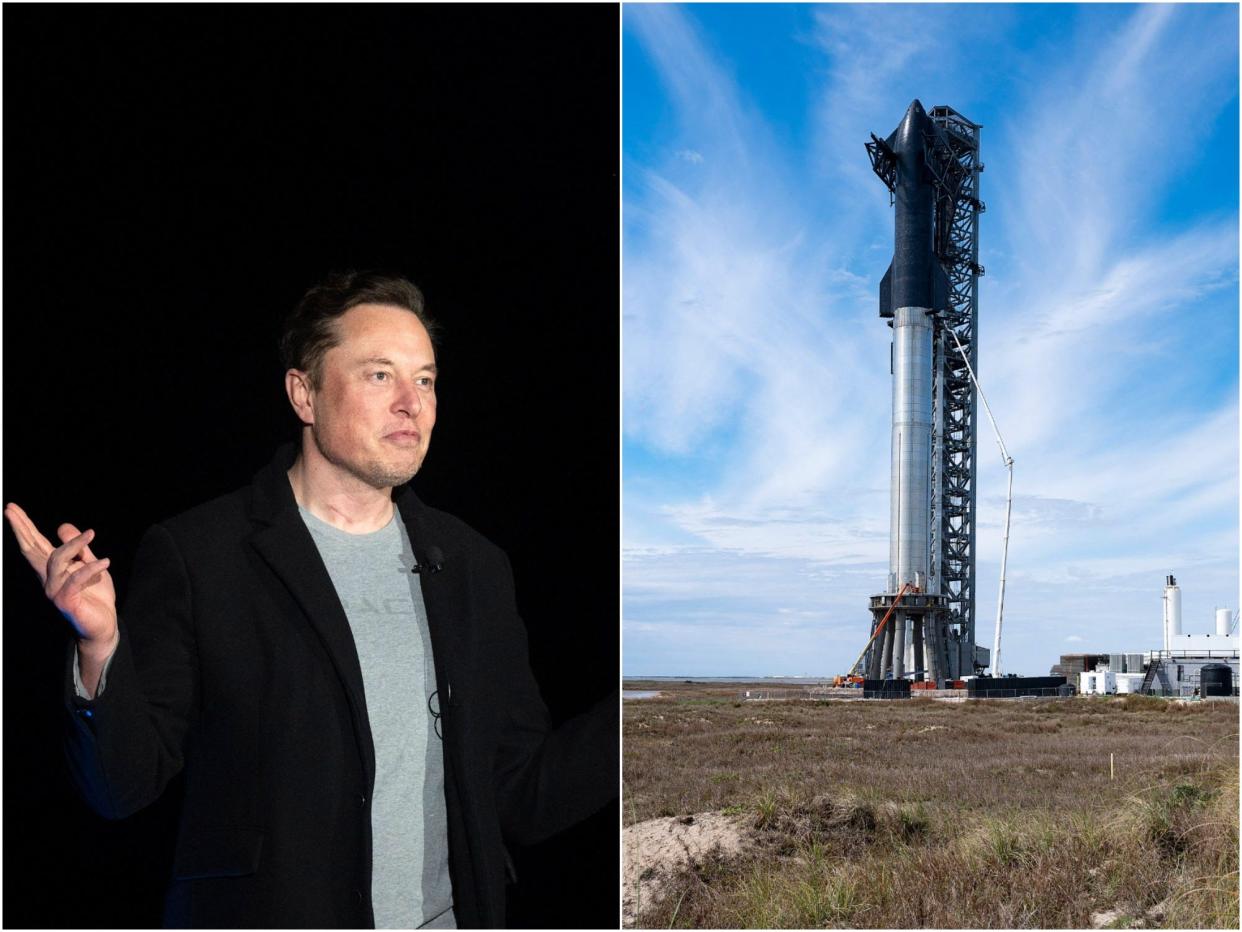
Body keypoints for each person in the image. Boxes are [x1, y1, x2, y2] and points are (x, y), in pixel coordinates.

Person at [5, 271, 616, 929]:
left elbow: (519, 796)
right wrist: (100, 646)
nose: (412, 402)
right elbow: (120, 788)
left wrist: (633, 723)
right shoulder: (202, 555)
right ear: (304, 393)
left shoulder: (474, 567)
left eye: (426, 379)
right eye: (380, 376)